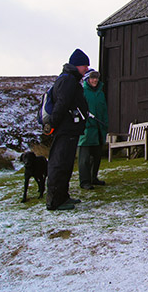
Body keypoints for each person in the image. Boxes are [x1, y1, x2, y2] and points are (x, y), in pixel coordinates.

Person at [46, 49, 90, 211]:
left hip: (69, 129)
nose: (86, 69)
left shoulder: (70, 79)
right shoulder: (68, 81)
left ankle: (63, 196)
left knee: (66, 164)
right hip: (64, 129)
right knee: (59, 163)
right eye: (85, 65)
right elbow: (62, 104)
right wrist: (53, 124)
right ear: (77, 65)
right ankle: (54, 201)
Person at [78, 69, 109, 189]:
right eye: (92, 78)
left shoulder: (101, 93)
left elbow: (104, 111)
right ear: (87, 79)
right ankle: (84, 181)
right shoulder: (83, 92)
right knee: (84, 158)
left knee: (97, 156)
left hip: (99, 129)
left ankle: (93, 178)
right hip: (86, 130)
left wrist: (105, 125)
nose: (95, 80)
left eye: (96, 77)